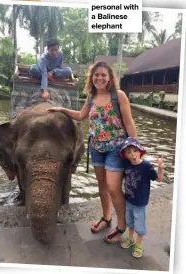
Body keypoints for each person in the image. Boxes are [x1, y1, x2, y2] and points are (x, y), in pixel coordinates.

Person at [48, 61, 137, 243]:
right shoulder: (91, 96)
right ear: (92, 78)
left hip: (116, 148)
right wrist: (62, 109)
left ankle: (121, 226)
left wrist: (134, 148)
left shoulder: (118, 96)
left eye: (103, 75)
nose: (100, 78)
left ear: (110, 78)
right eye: (96, 75)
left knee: (113, 187)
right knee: (102, 185)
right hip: (96, 148)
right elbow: (81, 115)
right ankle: (106, 217)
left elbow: (129, 123)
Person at [119, 137, 164, 258]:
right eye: (128, 152)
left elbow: (159, 179)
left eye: (134, 150)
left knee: (140, 224)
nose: (132, 154)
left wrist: (160, 168)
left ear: (140, 151)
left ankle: (139, 243)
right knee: (130, 221)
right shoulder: (127, 165)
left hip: (140, 202)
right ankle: (131, 238)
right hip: (129, 200)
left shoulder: (146, 166)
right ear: (126, 155)